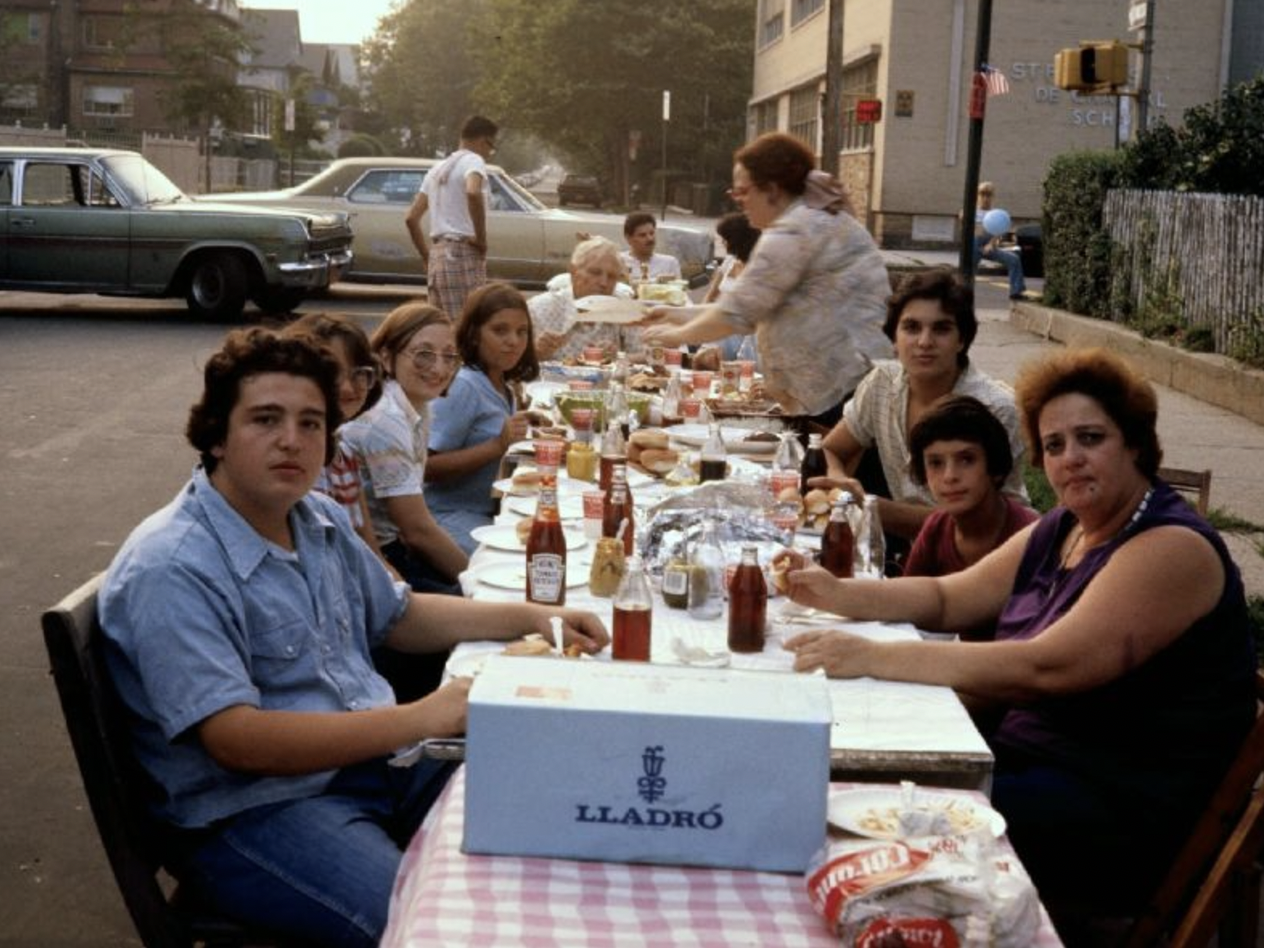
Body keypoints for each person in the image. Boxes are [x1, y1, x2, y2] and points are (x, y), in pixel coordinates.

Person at [97, 327, 608, 948]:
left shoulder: (313, 517)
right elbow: (237, 740)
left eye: (311, 423)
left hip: (367, 766)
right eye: (265, 419)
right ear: (216, 436)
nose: (292, 440)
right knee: (433, 930)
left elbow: (400, 616)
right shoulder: (174, 565)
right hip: (254, 814)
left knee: (561, 801)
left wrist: (532, 618)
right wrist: (425, 715)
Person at [778, 347, 1257, 938]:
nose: (1071, 459)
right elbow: (952, 597)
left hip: (1111, 813)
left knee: (865, 819)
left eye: (1090, 438)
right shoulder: (1069, 525)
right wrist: (836, 594)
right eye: (1054, 446)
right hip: (1029, 767)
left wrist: (872, 656)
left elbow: (1044, 667)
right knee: (842, 784)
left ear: (1135, 443)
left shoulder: (1172, 548)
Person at [641, 132, 891, 426]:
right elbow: (749, 304)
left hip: (843, 390)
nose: (739, 202)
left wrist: (676, 335)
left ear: (771, 190)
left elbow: (736, 315)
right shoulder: (811, 219)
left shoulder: (795, 229)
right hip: (847, 387)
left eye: (743, 192)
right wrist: (676, 313)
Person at [815, 269, 1027, 543]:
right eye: (912, 328)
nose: (924, 342)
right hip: (916, 549)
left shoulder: (994, 409)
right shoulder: (883, 382)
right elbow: (832, 449)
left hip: (988, 560)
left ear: (961, 340)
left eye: (941, 329)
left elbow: (974, 523)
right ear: (893, 339)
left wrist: (867, 505)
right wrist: (840, 482)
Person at [902, 394, 1039, 636]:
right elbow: (908, 603)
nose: (950, 476)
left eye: (966, 459)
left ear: (994, 468)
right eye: (935, 463)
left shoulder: (1030, 536)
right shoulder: (937, 527)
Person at [426, 282, 540, 554]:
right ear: (474, 334)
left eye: (521, 331)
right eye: (499, 330)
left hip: (491, 510)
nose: (513, 341)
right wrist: (497, 445)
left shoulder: (500, 382)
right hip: (448, 515)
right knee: (518, 564)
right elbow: (425, 467)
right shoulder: (463, 385)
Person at [282, 312, 395, 574]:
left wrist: (403, 593)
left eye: (359, 374)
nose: (348, 388)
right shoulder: (299, 462)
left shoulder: (343, 451)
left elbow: (371, 552)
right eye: (333, 374)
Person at [405, 115, 499, 318]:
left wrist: (426, 256)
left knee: (442, 328)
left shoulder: (437, 169)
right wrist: (482, 240)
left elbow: (411, 218)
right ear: (484, 140)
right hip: (462, 253)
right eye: (490, 148)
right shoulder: (474, 160)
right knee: (467, 325)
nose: (489, 154)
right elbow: (473, 192)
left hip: (438, 255)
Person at [530, 236, 640, 361]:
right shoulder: (539, 309)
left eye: (612, 276)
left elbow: (649, 355)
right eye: (595, 273)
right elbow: (511, 361)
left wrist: (619, 357)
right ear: (573, 271)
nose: (604, 283)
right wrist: (536, 352)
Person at [973, 181, 1027, 300]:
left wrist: (991, 244)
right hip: (973, 245)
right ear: (977, 195)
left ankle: (1016, 291)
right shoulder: (970, 211)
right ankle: (962, 294)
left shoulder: (996, 214)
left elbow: (999, 232)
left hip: (989, 246)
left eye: (988, 194)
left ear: (993, 196)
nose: (985, 198)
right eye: (982, 194)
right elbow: (969, 229)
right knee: (968, 270)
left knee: (1014, 259)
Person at [619, 211, 682, 285]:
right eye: (642, 235)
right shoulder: (618, 261)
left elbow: (679, 293)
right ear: (628, 238)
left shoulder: (669, 263)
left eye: (652, 233)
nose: (650, 239)